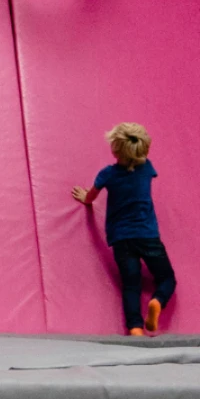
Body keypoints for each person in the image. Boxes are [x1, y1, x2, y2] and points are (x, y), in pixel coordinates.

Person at [72, 122, 175, 336]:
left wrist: (86, 199)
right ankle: (157, 301)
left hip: (121, 238)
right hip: (148, 236)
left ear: (114, 150)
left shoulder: (108, 174)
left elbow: (92, 196)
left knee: (131, 285)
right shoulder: (147, 168)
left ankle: (135, 327)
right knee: (167, 278)